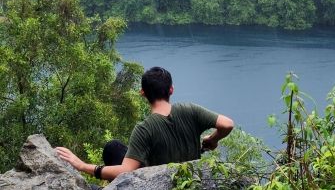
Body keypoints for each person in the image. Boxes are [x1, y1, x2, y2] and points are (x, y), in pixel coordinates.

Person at [56, 67, 234, 181]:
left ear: (142, 93)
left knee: (112, 149)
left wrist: (81, 166)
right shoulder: (190, 110)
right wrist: (213, 139)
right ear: (171, 89)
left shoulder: (145, 129)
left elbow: (125, 171)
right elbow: (227, 124)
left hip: (157, 185)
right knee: (115, 148)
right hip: (189, 181)